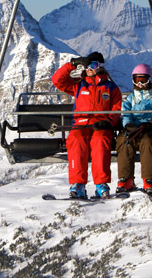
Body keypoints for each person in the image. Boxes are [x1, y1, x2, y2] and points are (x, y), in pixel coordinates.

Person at [51, 52, 122, 199]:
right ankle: (78, 184)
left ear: (101, 67)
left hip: (101, 126)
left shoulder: (110, 87)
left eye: (93, 65)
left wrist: (108, 122)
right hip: (81, 125)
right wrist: (72, 64)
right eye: (87, 65)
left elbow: (116, 109)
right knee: (76, 140)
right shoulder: (79, 84)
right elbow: (57, 80)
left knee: (100, 142)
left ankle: (101, 184)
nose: (89, 68)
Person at [116, 63, 152, 195]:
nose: (140, 84)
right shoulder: (130, 99)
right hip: (133, 131)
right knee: (124, 140)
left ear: (150, 80)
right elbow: (125, 113)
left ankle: (148, 180)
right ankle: (125, 179)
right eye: (137, 80)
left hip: (148, 131)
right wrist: (128, 125)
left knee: (148, 142)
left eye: (143, 81)